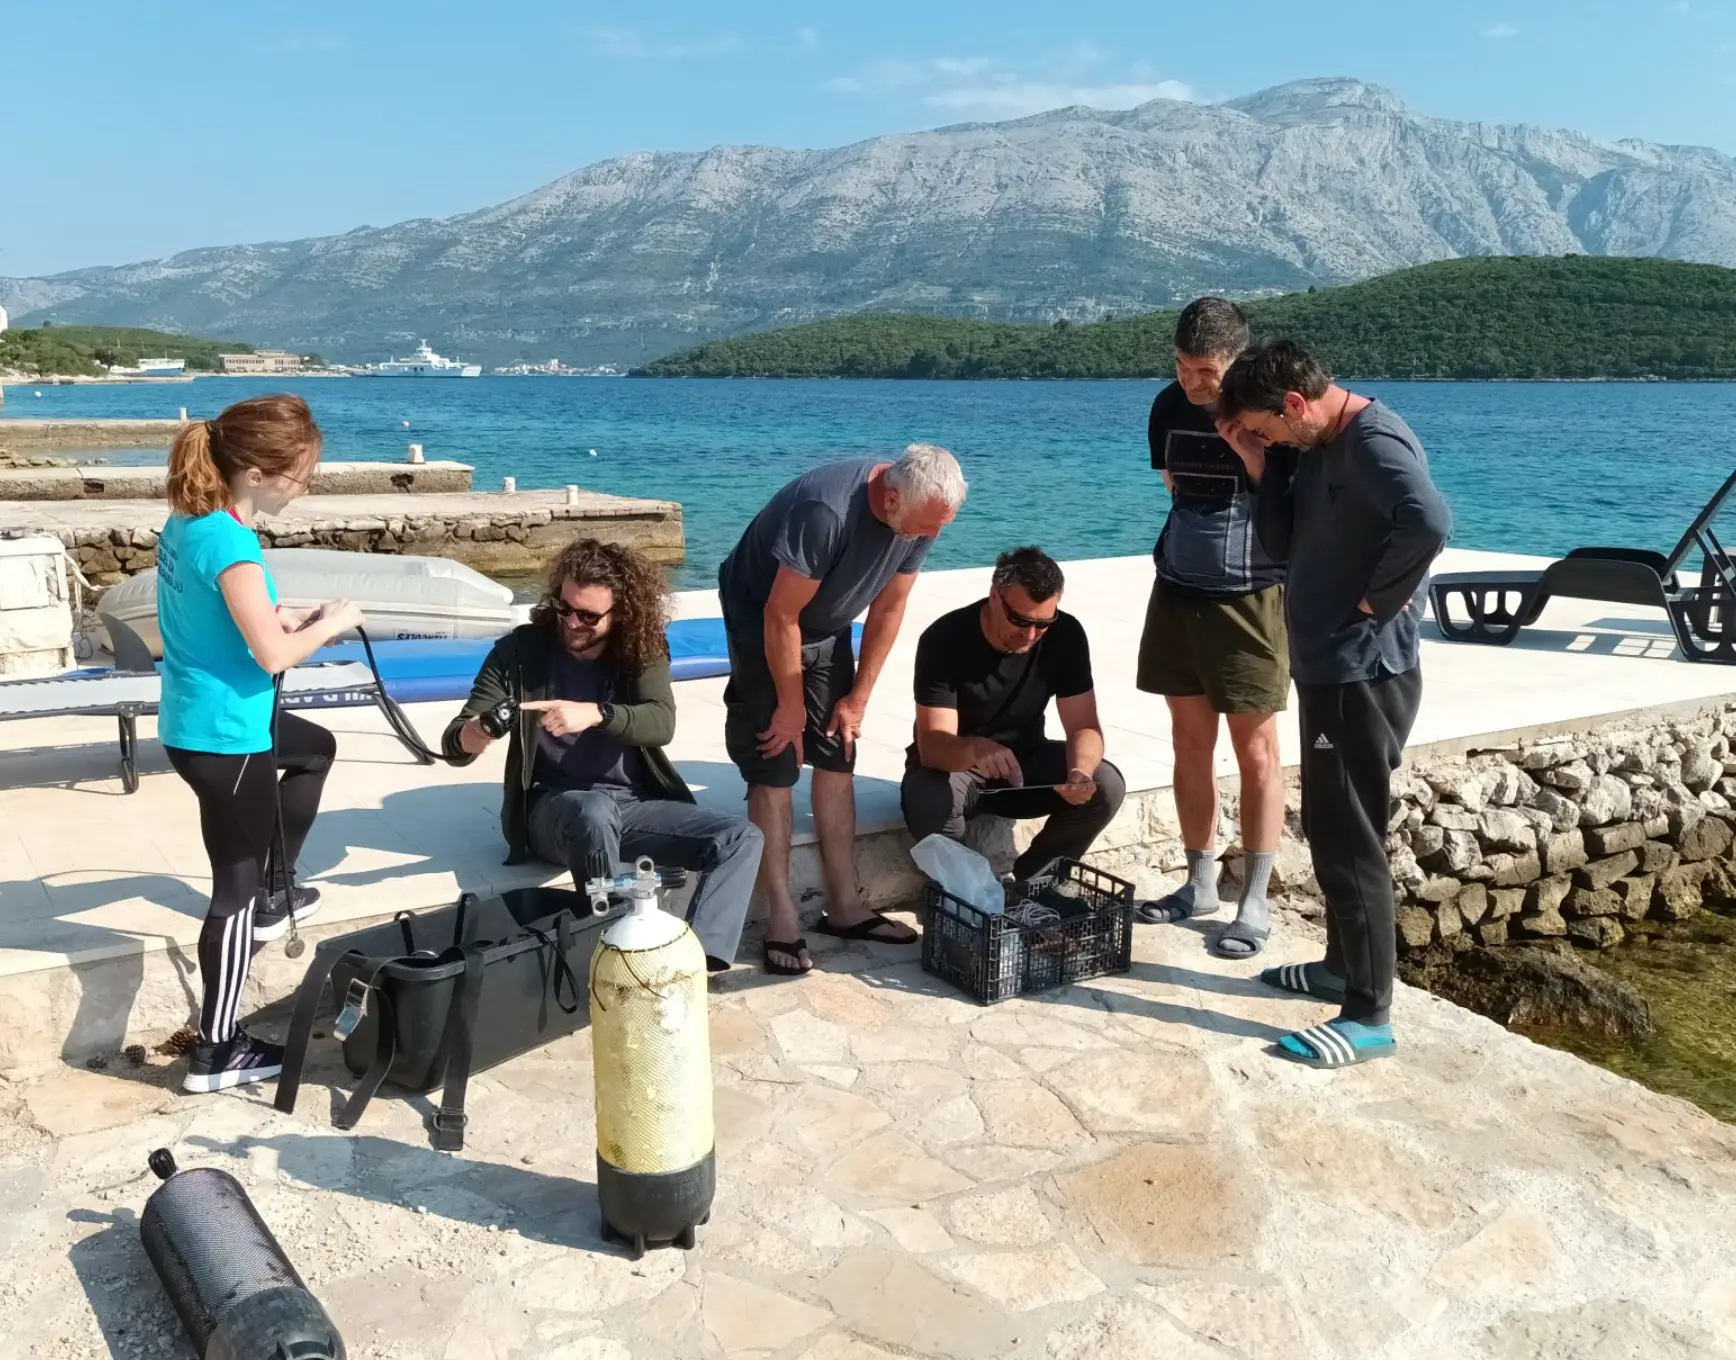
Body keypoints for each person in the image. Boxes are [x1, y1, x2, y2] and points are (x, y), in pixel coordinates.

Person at [1214, 340, 1452, 1069]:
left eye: (1267, 429)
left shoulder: (1374, 442)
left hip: (1362, 673)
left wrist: (1375, 600)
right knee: (1328, 821)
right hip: (1327, 667)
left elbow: (1430, 521)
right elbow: (1284, 544)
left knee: (1352, 838)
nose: (1268, 441)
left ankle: (1370, 1013)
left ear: (1294, 404)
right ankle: (1341, 967)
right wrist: (1260, 468)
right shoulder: (1318, 445)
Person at [158, 395, 361, 1093]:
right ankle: (218, 1050)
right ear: (256, 469)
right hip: (228, 734)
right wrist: (332, 624)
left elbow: (232, 619)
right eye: (300, 475)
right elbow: (274, 658)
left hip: (198, 721)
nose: (304, 488)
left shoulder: (191, 523)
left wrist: (285, 614)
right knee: (231, 895)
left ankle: (280, 889)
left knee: (314, 749)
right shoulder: (233, 541)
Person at [443, 538, 763, 972]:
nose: (572, 622)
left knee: (741, 838)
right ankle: (615, 950)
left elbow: (660, 723)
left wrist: (595, 714)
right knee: (592, 811)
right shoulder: (519, 652)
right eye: (564, 607)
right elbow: (454, 743)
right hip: (554, 809)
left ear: (621, 614)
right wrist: (476, 733)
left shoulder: (641, 650)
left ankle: (696, 963)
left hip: (632, 806)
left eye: (588, 616)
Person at [718, 443, 967, 975]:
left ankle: (846, 906)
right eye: (923, 527)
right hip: (762, 617)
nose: (930, 538)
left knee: (838, 749)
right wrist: (789, 705)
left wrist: (858, 698)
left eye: (938, 528)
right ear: (891, 496)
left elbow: (890, 607)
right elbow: (780, 616)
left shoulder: (921, 520)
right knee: (777, 759)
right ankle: (782, 917)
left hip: (828, 626)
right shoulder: (826, 512)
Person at [1136, 297, 1291, 957]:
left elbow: (1291, 505)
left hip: (1250, 599)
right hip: (1177, 589)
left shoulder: (1268, 412)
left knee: (1256, 753)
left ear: (1237, 359)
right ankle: (1199, 882)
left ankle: (1253, 899)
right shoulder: (1167, 406)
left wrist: (1252, 457)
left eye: (1205, 370)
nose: (1192, 381)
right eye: (1181, 365)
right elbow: (1174, 485)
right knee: (1187, 740)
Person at [902, 547, 1126, 878]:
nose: (1031, 635)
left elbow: (1084, 725)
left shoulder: (1066, 634)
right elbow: (934, 746)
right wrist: (976, 749)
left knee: (1105, 784)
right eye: (1020, 620)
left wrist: (1080, 771)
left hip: (1025, 764)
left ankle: (1037, 882)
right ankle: (969, 893)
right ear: (994, 596)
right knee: (928, 797)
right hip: (957, 768)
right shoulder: (945, 638)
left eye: (1043, 623)